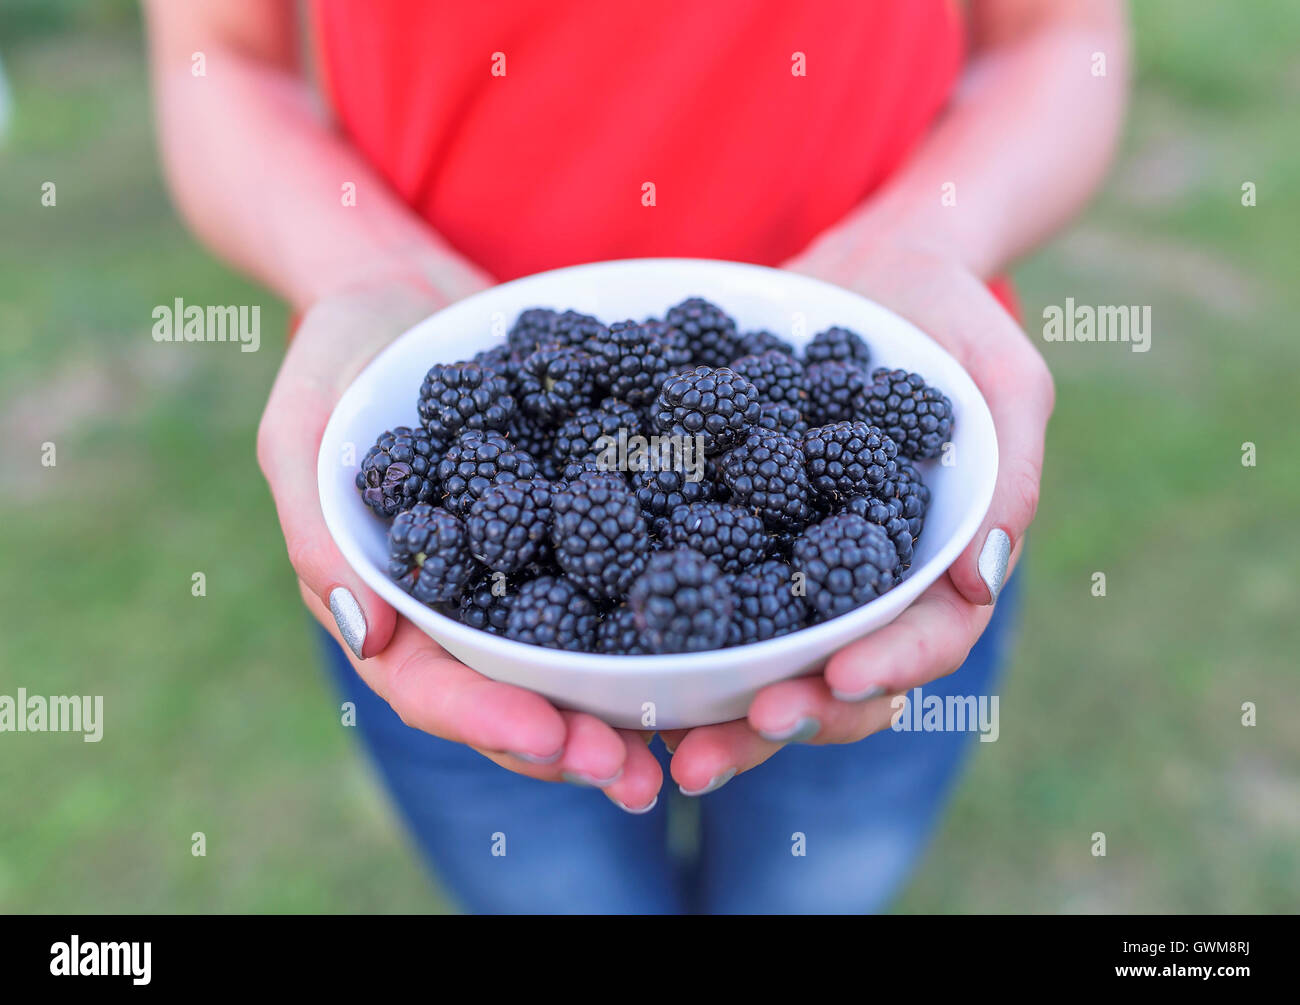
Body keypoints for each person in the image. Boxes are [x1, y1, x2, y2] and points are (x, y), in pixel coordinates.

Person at [143, 0, 1128, 913]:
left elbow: (1058, 38)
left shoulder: (814, 467)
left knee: (822, 887)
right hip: (446, 510)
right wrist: (357, 268)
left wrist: (937, 236)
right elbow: (218, 61)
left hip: (876, 503)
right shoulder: (502, 483)